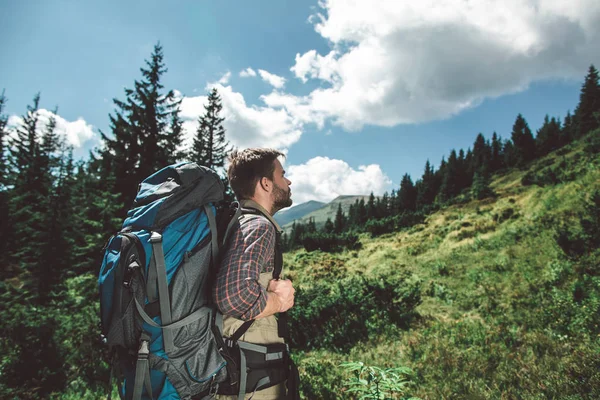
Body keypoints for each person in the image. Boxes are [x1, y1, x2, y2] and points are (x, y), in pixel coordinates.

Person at [214, 148, 296, 400]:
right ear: (265, 183)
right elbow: (233, 296)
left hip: (241, 371)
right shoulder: (258, 226)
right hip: (251, 380)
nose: (289, 181)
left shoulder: (235, 222)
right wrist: (280, 301)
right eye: (282, 175)